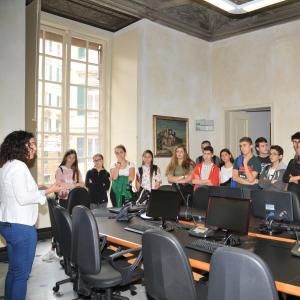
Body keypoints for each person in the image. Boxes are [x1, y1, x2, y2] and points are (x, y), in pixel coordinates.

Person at [0, 130, 62, 300]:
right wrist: (51, 190)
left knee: (14, 271)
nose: (35, 148)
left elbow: (18, 193)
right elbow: (24, 198)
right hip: (21, 227)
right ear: (20, 145)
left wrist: (41, 187)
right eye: (31, 144)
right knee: (22, 275)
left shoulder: (6, 165)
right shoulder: (19, 167)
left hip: (7, 224)